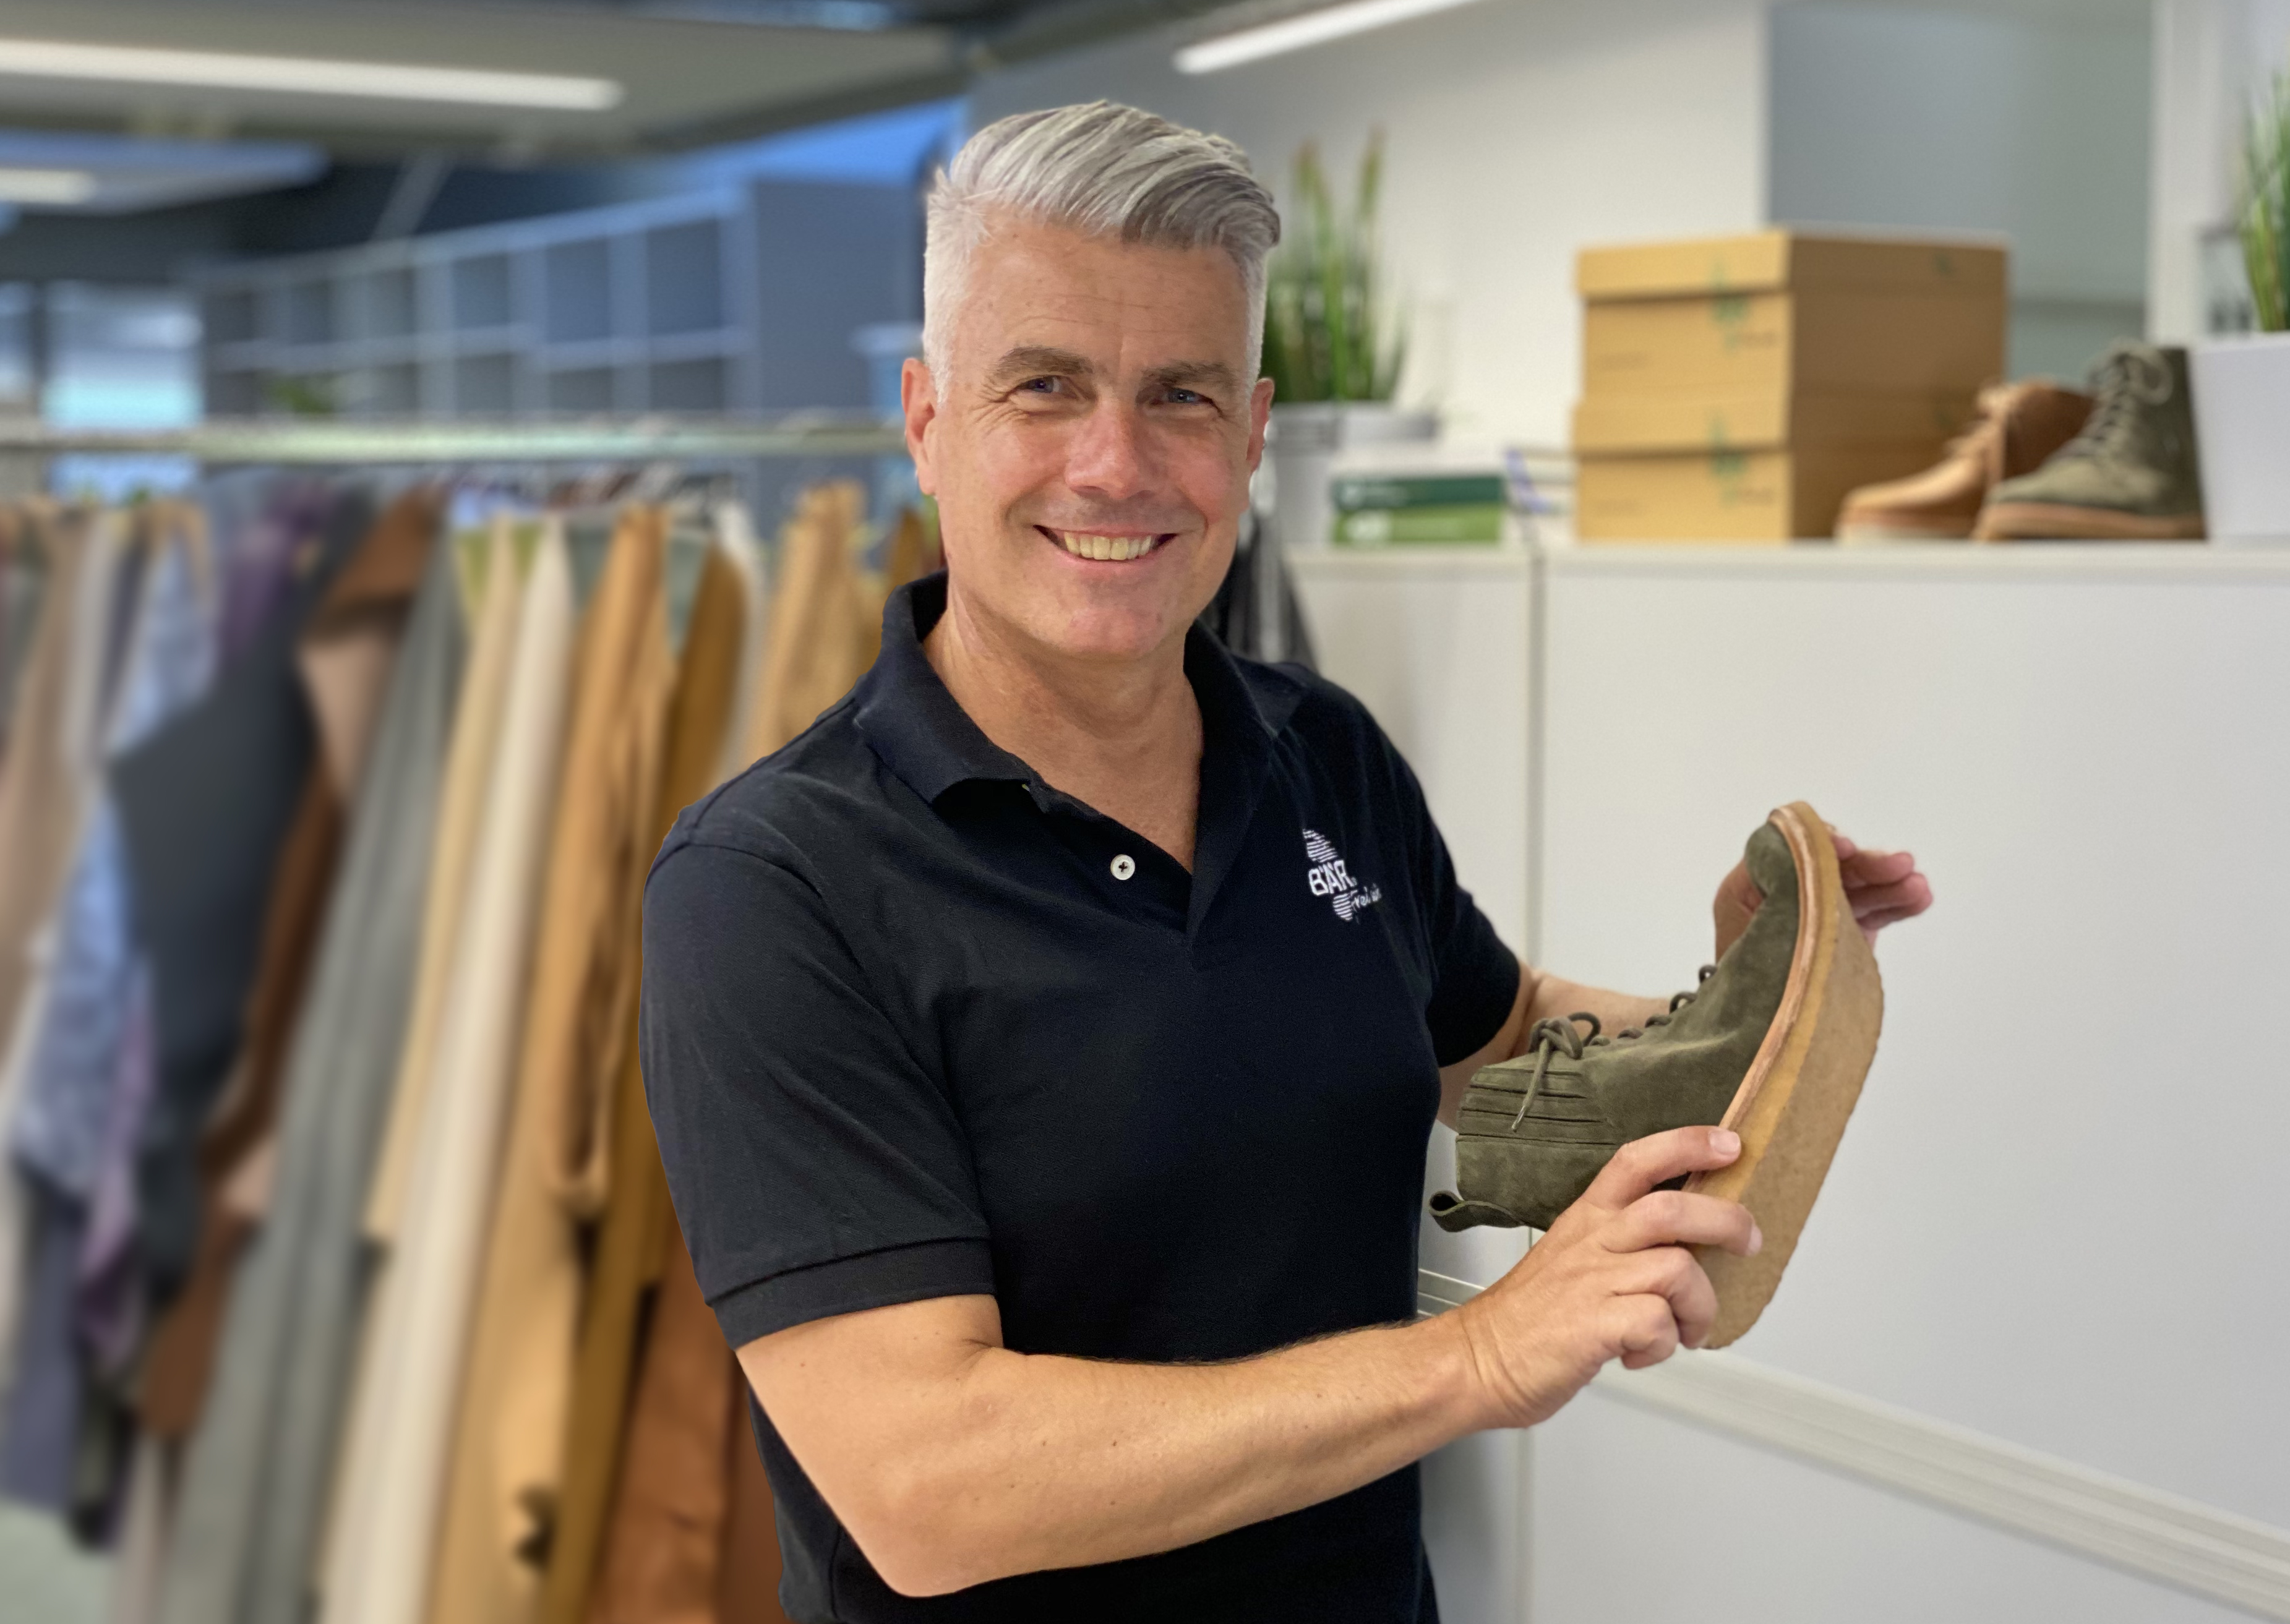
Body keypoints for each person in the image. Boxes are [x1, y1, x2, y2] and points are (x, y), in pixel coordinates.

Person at [638, 100, 1932, 1622]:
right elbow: (927, 1482)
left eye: (1178, 396)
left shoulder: (1315, 749)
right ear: (928, 421)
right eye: (1044, 386)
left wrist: (1746, 997)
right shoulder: (772, 885)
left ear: (1251, 439)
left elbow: (1497, 1040)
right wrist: (1473, 1357)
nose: (1114, 464)